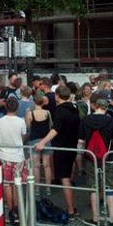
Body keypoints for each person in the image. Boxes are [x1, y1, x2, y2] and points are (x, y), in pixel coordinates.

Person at [35, 85, 80, 217]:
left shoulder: (60, 110)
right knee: (67, 178)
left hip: (62, 147)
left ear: (57, 96)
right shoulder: (74, 108)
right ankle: (72, 207)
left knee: (64, 179)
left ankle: (71, 210)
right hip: (72, 145)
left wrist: (42, 142)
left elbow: (56, 129)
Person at [78, 97, 113, 226]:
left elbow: (80, 142)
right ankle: (112, 219)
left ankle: (95, 218)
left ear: (94, 106)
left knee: (93, 187)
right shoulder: (110, 121)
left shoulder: (85, 120)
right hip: (108, 158)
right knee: (109, 187)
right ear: (106, 108)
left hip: (91, 159)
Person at [0, 96, 28, 226]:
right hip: (18, 155)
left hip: (4, 155)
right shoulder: (21, 122)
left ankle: (11, 210)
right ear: (17, 107)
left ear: (6, 106)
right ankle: (18, 210)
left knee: (7, 184)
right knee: (16, 184)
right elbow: (23, 137)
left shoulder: (0, 121)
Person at [27, 93, 53, 195]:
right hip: (46, 139)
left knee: (36, 166)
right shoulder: (48, 112)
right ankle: (48, 188)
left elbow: (28, 127)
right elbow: (50, 126)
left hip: (34, 140)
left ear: (34, 102)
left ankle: (37, 189)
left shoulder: (30, 113)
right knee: (47, 165)